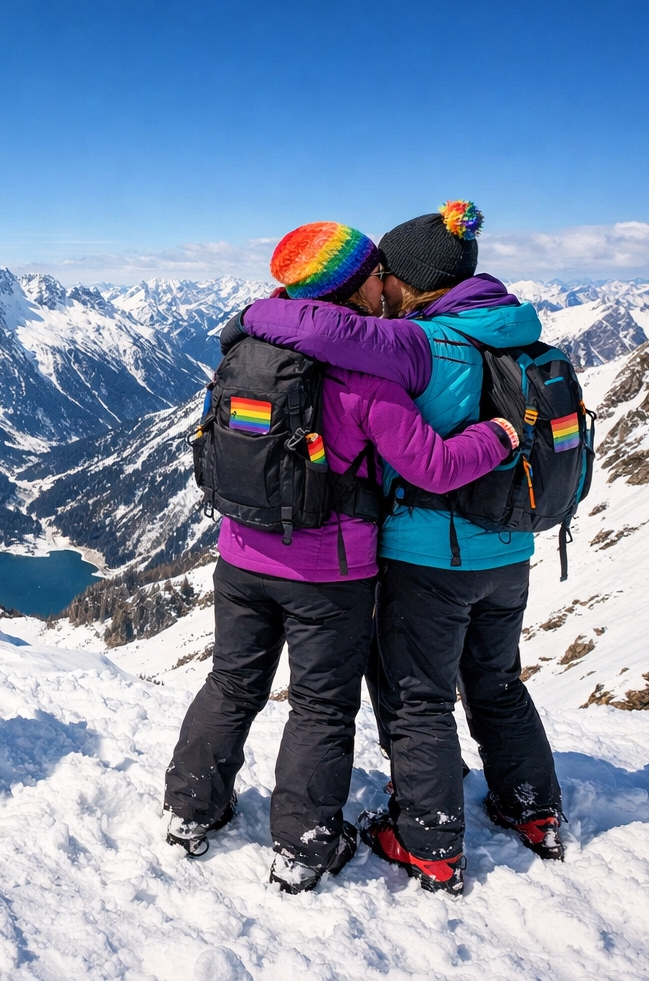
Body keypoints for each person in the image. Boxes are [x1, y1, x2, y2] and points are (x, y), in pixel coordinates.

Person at [164, 221, 522, 893]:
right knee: (321, 708)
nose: (384, 284)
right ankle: (303, 846)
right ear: (355, 284)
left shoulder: (248, 348)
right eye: (374, 273)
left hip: (241, 555)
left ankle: (190, 808)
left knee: (231, 684)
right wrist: (499, 436)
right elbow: (436, 466)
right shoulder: (365, 376)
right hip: (329, 574)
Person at [237, 201, 565, 894]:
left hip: (428, 556)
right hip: (507, 551)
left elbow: (311, 320)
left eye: (389, 274)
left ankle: (430, 842)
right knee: (499, 684)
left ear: (410, 281)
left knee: (418, 699)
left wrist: (252, 312)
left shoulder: (420, 343)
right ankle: (534, 811)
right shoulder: (518, 333)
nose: (381, 287)